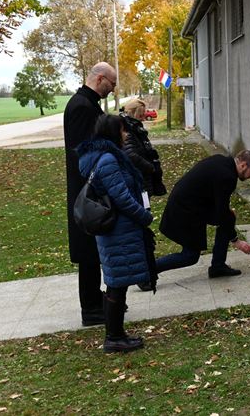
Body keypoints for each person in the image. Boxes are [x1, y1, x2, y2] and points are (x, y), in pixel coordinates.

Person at [77, 114, 155, 353]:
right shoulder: (109, 159)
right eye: (122, 130)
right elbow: (122, 198)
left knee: (117, 282)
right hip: (118, 230)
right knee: (117, 285)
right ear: (113, 132)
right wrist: (144, 217)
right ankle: (114, 337)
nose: (126, 134)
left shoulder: (103, 156)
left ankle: (117, 334)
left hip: (116, 229)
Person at [64, 62, 116, 326]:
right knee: (88, 253)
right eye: (112, 84)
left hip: (89, 187)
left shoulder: (86, 103)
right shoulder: (82, 107)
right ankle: (92, 308)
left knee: (93, 251)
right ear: (100, 78)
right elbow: (84, 153)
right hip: (86, 190)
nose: (113, 89)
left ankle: (97, 302)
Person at [153, 150, 250, 282]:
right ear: (243, 165)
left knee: (229, 217)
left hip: (190, 204)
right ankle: (148, 270)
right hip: (185, 210)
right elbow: (221, 212)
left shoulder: (222, 161)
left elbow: (221, 209)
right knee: (190, 256)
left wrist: (228, 220)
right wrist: (236, 241)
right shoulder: (228, 176)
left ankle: (218, 266)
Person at [119, 99, 166, 197]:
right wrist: (150, 167)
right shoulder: (128, 129)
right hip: (138, 179)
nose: (143, 119)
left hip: (142, 178)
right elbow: (130, 154)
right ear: (134, 113)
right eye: (141, 116)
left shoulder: (134, 128)